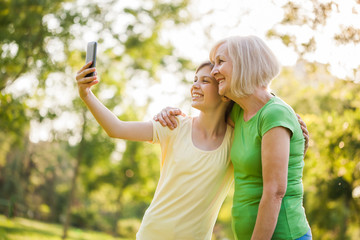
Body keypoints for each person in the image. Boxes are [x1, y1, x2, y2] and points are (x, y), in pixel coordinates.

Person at [155, 35, 311, 240]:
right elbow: (207, 116)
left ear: (244, 64)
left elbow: (275, 192)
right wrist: (167, 113)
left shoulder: (275, 114)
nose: (213, 71)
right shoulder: (238, 114)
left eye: (220, 62)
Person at [75, 61, 234, 240]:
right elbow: (116, 128)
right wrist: (86, 94)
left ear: (223, 91)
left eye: (205, 81)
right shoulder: (174, 125)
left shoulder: (235, 141)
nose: (194, 86)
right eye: (195, 79)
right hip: (152, 234)